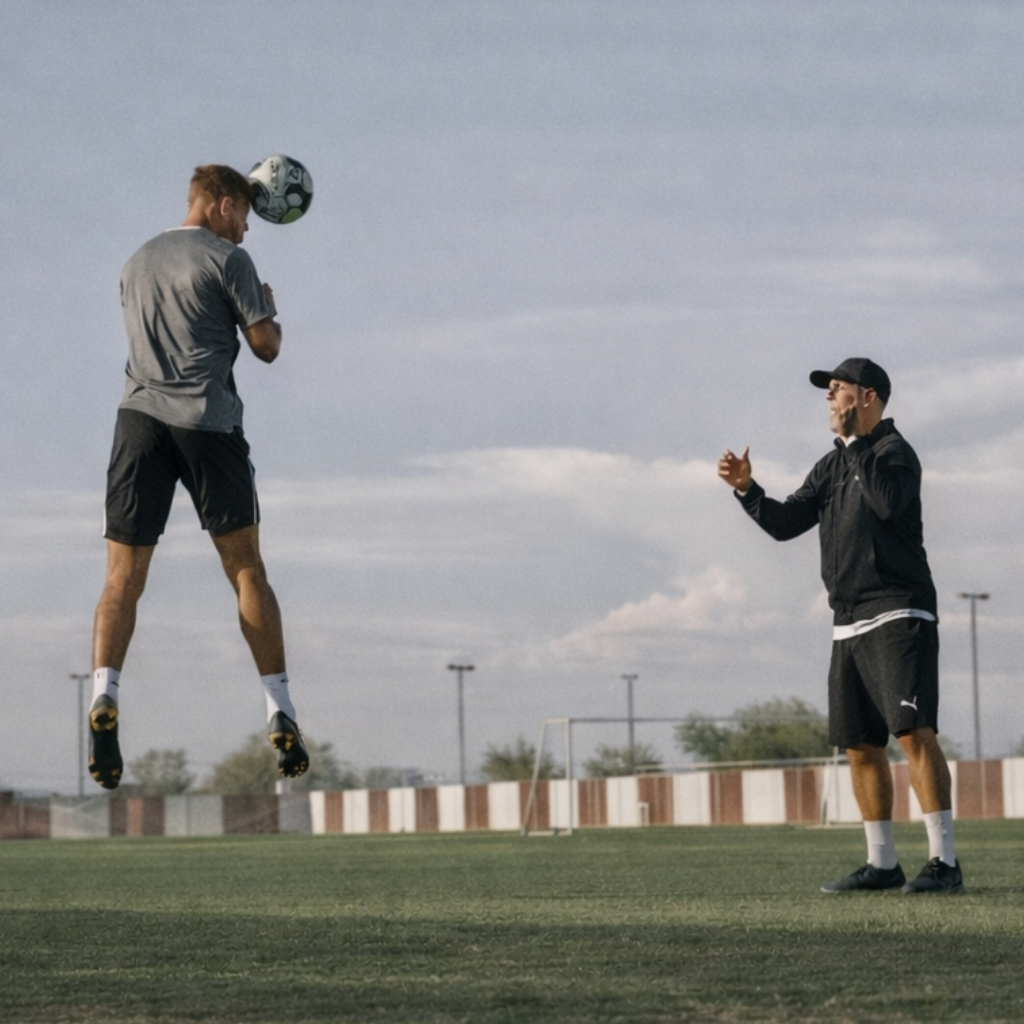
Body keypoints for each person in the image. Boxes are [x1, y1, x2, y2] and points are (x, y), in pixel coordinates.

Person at [88, 164, 309, 790]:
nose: (246, 229)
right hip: (208, 424)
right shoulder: (228, 260)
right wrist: (268, 311)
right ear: (221, 203)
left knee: (121, 577)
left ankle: (104, 693)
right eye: (244, 215)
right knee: (246, 571)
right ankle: (280, 708)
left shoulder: (135, 261)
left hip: (138, 424)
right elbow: (266, 346)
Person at [717, 357, 962, 894]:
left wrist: (854, 445)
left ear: (867, 396)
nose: (828, 397)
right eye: (826, 391)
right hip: (848, 622)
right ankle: (883, 865)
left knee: (912, 733)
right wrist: (747, 490)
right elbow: (785, 524)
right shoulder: (830, 466)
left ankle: (944, 863)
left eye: (837, 388)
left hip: (899, 610)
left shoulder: (895, 452)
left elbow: (889, 504)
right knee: (860, 745)